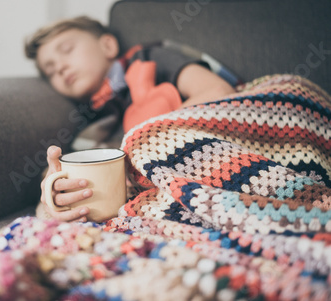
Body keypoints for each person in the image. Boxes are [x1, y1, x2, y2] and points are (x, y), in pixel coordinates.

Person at [25, 16, 237, 222]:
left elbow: (218, 90)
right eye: (50, 71)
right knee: (46, 207)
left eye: (67, 50)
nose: (60, 68)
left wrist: (145, 140)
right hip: (165, 188)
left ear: (107, 46)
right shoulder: (94, 120)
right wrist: (55, 190)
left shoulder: (147, 59)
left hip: (221, 149)